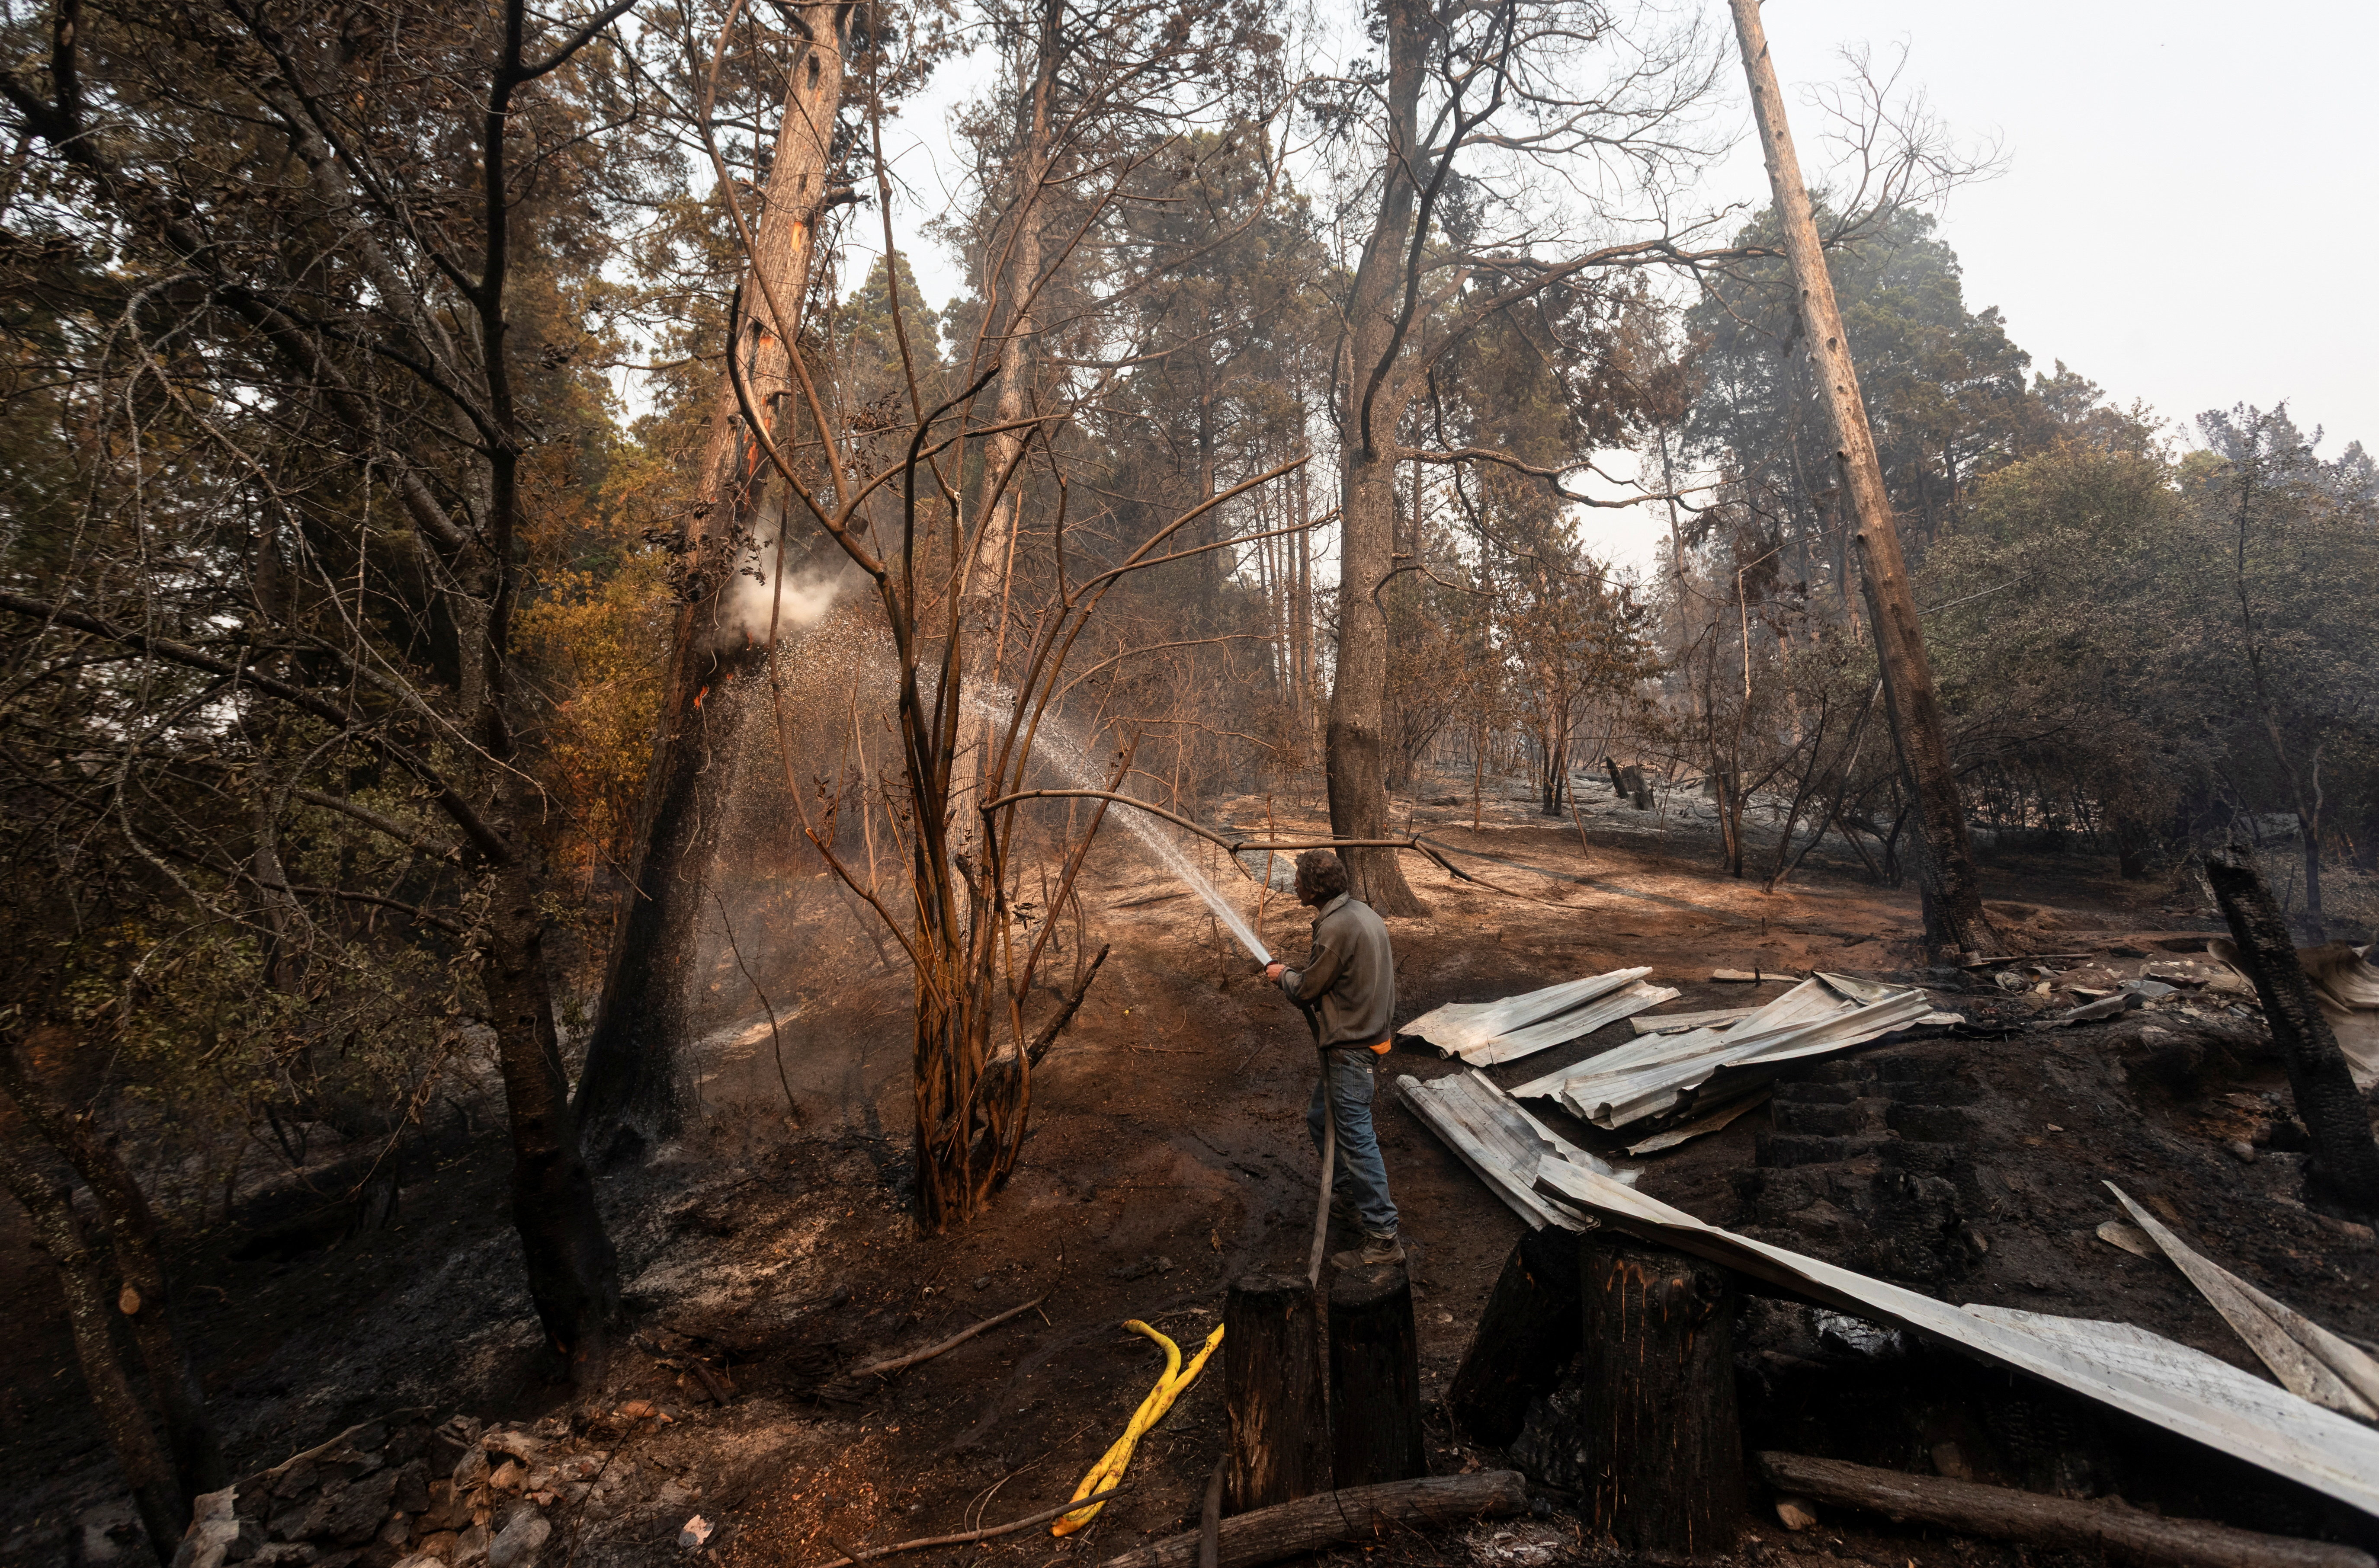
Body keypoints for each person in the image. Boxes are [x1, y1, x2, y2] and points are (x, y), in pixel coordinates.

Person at [1263, 848, 1403, 1267]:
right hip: (1363, 1039)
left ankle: (1383, 1236)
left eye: (1298, 880)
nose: (1293, 884)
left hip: (1350, 1051)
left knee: (1357, 1141)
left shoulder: (1336, 929)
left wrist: (1282, 975)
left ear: (1314, 888)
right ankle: (1349, 1198)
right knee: (1319, 1119)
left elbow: (1307, 989)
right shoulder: (1361, 914)